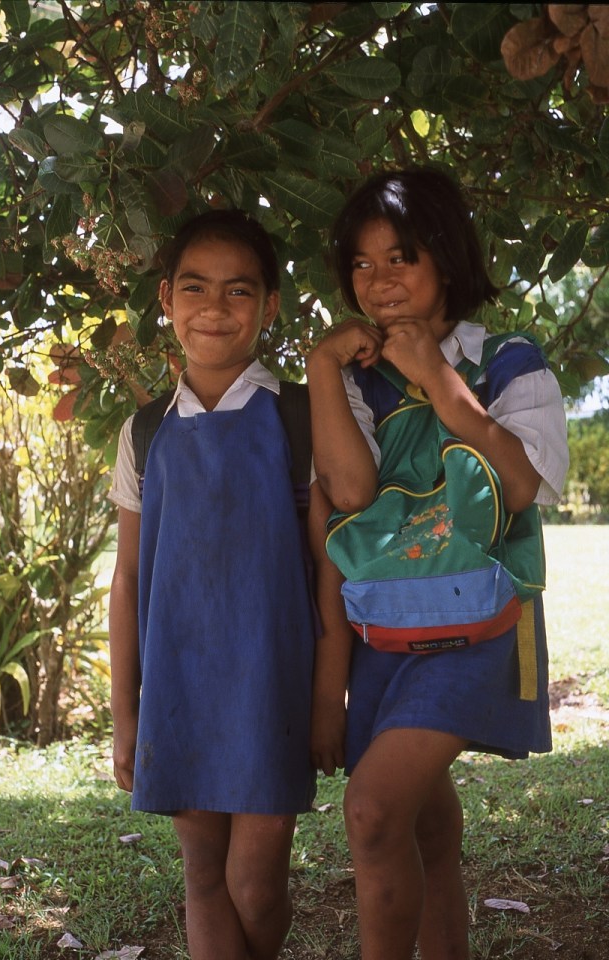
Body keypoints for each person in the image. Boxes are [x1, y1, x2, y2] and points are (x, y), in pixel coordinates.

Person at [305, 166, 569, 960]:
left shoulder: (511, 361)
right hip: (388, 623)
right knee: (422, 821)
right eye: (361, 262)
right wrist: (322, 369)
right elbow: (350, 489)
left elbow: (520, 485)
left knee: (373, 810)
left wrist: (441, 383)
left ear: (447, 258)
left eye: (401, 257)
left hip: (483, 617)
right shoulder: (352, 375)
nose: (378, 280)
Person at [107, 209, 318, 960]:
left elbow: (327, 569)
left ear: (269, 305)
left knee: (256, 885)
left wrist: (329, 695)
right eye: (195, 288)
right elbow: (129, 580)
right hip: (178, 688)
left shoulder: (300, 417)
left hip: (271, 684)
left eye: (238, 291)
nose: (214, 308)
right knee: (202, 876)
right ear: (165, 299)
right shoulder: (144, 432)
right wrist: (124, 714)